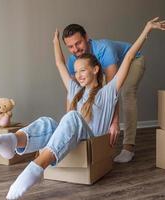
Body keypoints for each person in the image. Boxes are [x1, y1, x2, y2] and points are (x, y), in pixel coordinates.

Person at [0, 17, 165, 200]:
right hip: (75, 140)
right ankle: (13, 141)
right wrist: (55, 42)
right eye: (76, 71)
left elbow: (128, 57)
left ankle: (36, 168)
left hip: (92, 141)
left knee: (72, 117)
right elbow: (59, 64)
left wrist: (146, 29)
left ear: (96, 70)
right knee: (47, 121)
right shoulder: (75, 90)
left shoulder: (108, 91)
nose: (78, 75)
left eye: (83, 70)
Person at [62, 22, 147, 162]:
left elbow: (113, 91)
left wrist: (114, 122)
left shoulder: (104, 49)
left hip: (134, 59)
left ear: (86, 38)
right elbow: (73, 93)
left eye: (78, 43)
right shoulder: (73, 61)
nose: (75, 49)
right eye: (70, 47)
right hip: (107, 64)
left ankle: (128, 147)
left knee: (127, 92)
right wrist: (68, 123)